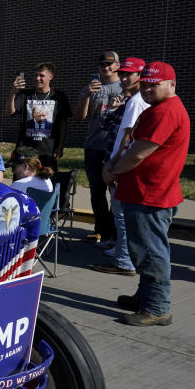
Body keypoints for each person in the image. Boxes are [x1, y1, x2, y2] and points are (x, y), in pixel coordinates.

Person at [103, 62, 189, 326]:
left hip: (151, 195)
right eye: (147, 84)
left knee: (151, 253)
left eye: (156, 84)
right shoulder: (156, 110)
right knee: (142, 250)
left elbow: (139, 153)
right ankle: (146, 296)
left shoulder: (166, 111)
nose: (149, 89)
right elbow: (131, 143)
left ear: (171, 84)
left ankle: (157, 307)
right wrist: (114, 163)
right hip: (142, 193)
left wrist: (114, 169)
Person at [91, 57, 149, 276]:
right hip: (122, 162)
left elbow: (127, 135)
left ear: (141, 76)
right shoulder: (132, 98)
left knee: (122, 215)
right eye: (122, 74)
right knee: (124, 215)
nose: (124, 78)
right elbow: (109, 125)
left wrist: (112, 165)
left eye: (129, 74)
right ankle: (125, 255)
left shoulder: (136, 101)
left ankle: (124, 261)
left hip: (121, 164)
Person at [73, 50, 124, 245]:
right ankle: (102, 230)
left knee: (116, 193)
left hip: (116, 148)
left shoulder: (124, 86)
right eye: (103, 64)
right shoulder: (91, 88)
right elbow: (78, 117)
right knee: (97, 191)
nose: (106, 67)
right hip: (94, 146)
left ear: (118, 66)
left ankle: (116, 233)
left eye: (110, 64)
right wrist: (87, 94)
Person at [6, 63, 70, 171]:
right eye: (35, 75)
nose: (37, 78)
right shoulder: (25, 95)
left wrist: (60, 147)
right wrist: (13, 91)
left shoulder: (59, 96)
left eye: (41, 76)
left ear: (51, 76)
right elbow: (9, 112)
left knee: (46, 184)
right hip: (25, 151)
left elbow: (63, 124)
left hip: (48, 151)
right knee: (22, 184)